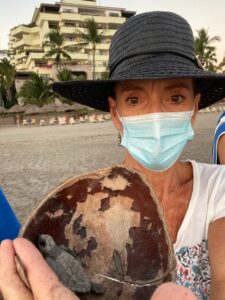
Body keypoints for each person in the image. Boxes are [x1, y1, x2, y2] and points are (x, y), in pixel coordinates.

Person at [1, 10, 225, 300]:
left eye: (175, 98)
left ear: (194, 109)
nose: (156, 115)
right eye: (134, 99)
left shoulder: (218, 187)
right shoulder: (77, 210)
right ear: (115, 113)